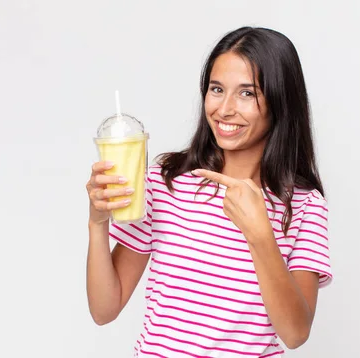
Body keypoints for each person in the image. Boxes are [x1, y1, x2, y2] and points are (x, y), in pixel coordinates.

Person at [86, 26, 332, 357]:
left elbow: (295, 332)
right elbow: (105, 309)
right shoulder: (165, 181)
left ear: (280, 101)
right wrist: (98, 224)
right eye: (217, 89)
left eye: (247, 93)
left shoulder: (304, 206)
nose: (225, 109)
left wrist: (260, 234)